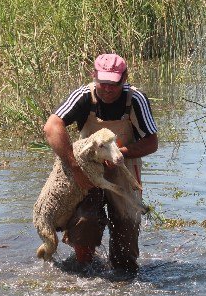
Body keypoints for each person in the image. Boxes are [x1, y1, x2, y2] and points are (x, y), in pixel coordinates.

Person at [42, 53, 158, 273]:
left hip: (122, 167)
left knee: (126, 228)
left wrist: (117, 153)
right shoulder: (83, 96)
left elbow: (151, 142)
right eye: (103, 82)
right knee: (85, 222)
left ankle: (123, 278)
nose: (107, 89)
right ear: (93, 75)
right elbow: (52, 127)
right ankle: (84, 270)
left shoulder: (135, 99)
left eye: (113, 84)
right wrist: (75, 167)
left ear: (124, 78)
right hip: (85, 168)